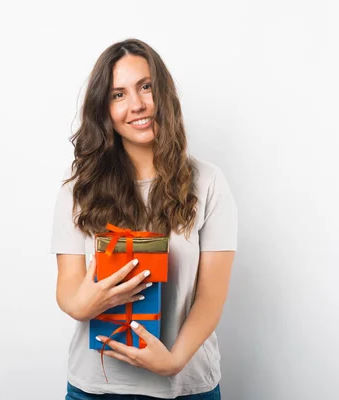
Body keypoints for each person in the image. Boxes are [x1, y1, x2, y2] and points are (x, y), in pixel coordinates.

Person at [50, 38, 237, 399]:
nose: (136, 105)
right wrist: (88, 300)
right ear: (103, 109)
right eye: (118, 95)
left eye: (145, 87)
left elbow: (212, 295)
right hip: (97, 388)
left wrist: (173, 361)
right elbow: (68, 293)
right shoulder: (78, 190)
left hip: (187, 385)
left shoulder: (208, 182)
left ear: (162, 92)